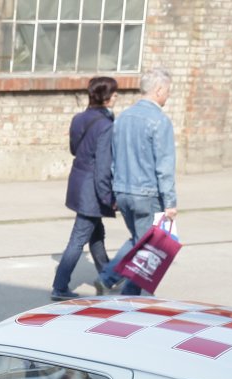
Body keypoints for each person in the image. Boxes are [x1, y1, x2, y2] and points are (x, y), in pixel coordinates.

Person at [99, 68, 178, 296]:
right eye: (167, 91)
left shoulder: (123, 117)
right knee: (149, 247)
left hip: (123, 190)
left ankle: (109, 278)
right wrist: (170, 202)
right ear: (159, 90)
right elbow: (164, 166)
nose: (168, 96)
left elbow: (114, 158)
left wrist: (115, 190)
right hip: (147, 194)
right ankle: (130, 296)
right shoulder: (159, 121)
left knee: (139, 240)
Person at [51, 76, 118, 301]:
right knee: (79, 237)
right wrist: (108, 197)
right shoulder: (106, 125)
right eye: (114, 93)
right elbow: (103, 166)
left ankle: (108, 275)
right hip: (92, 188)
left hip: (79, 182)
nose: (117, 97)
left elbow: (74, 149)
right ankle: (60, 286)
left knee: (96, 233)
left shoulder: (79, 119)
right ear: (106, 97)